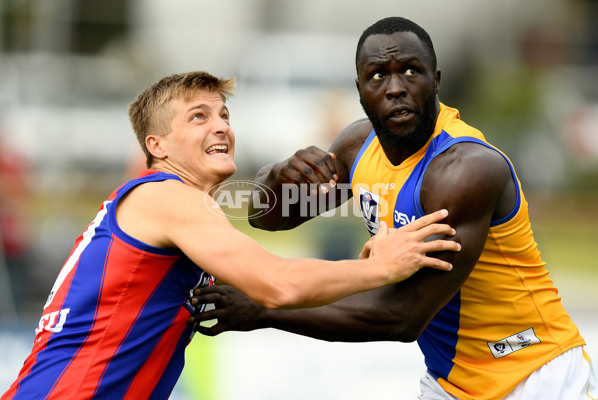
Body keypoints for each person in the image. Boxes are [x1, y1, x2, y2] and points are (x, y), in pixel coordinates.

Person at [189, 18, 598, 400]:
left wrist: (266, 308)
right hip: (452, 379)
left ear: (436, 81)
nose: (395, 87)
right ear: (360, 88)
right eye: (378, 76)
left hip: (535, 373)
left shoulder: (463, 170)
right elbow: (268, 216)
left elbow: (403, 316)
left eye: (411, 71)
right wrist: (279, 174)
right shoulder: (356, 147)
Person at [0, 71, 461, 400]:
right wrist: (379, 266)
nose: (221, 125)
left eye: (223, 114)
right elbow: (277, 283)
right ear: (155, 146)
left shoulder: (167, 205)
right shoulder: (168, 196)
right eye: (198, 117)